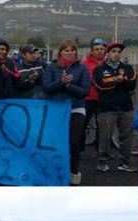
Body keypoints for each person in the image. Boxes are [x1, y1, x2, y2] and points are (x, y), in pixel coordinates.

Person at [42, 39, 91, 186]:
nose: (69, 53)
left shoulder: (82, 68)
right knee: (54, 141)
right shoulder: (51, 67)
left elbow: (84, 91)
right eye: (66, 50)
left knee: (74, 142)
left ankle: (73, 173)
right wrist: (61, 83)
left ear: (76, 52)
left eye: (72, 50)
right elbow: (47, 88)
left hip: (76, 107)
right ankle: (54, 171)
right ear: (60, 52)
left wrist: (68, 86)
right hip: (56, 108)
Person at [93, 42, 138, 173]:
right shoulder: (99, 69)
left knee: (127, 137)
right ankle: (103, 162)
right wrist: (115, 81)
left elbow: (132, 85)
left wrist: (122, 81)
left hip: (126, 107)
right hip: (107, 108)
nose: (116, 54)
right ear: (108, 53)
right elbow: (100, 87)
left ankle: (124, 162)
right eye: (114, 51)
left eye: (119, 51)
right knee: (105, 136)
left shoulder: (128, 68)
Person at [82, 39, 108, 151]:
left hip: (103, 99)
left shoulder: (109, 63)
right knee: (82, 125)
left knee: (102, 127)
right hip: (87, 99)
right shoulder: (83, 64)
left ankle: (100, 151)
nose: (99, 51)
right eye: (96, 49)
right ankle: (79, 149)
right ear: (91, 51)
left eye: (102, 49)